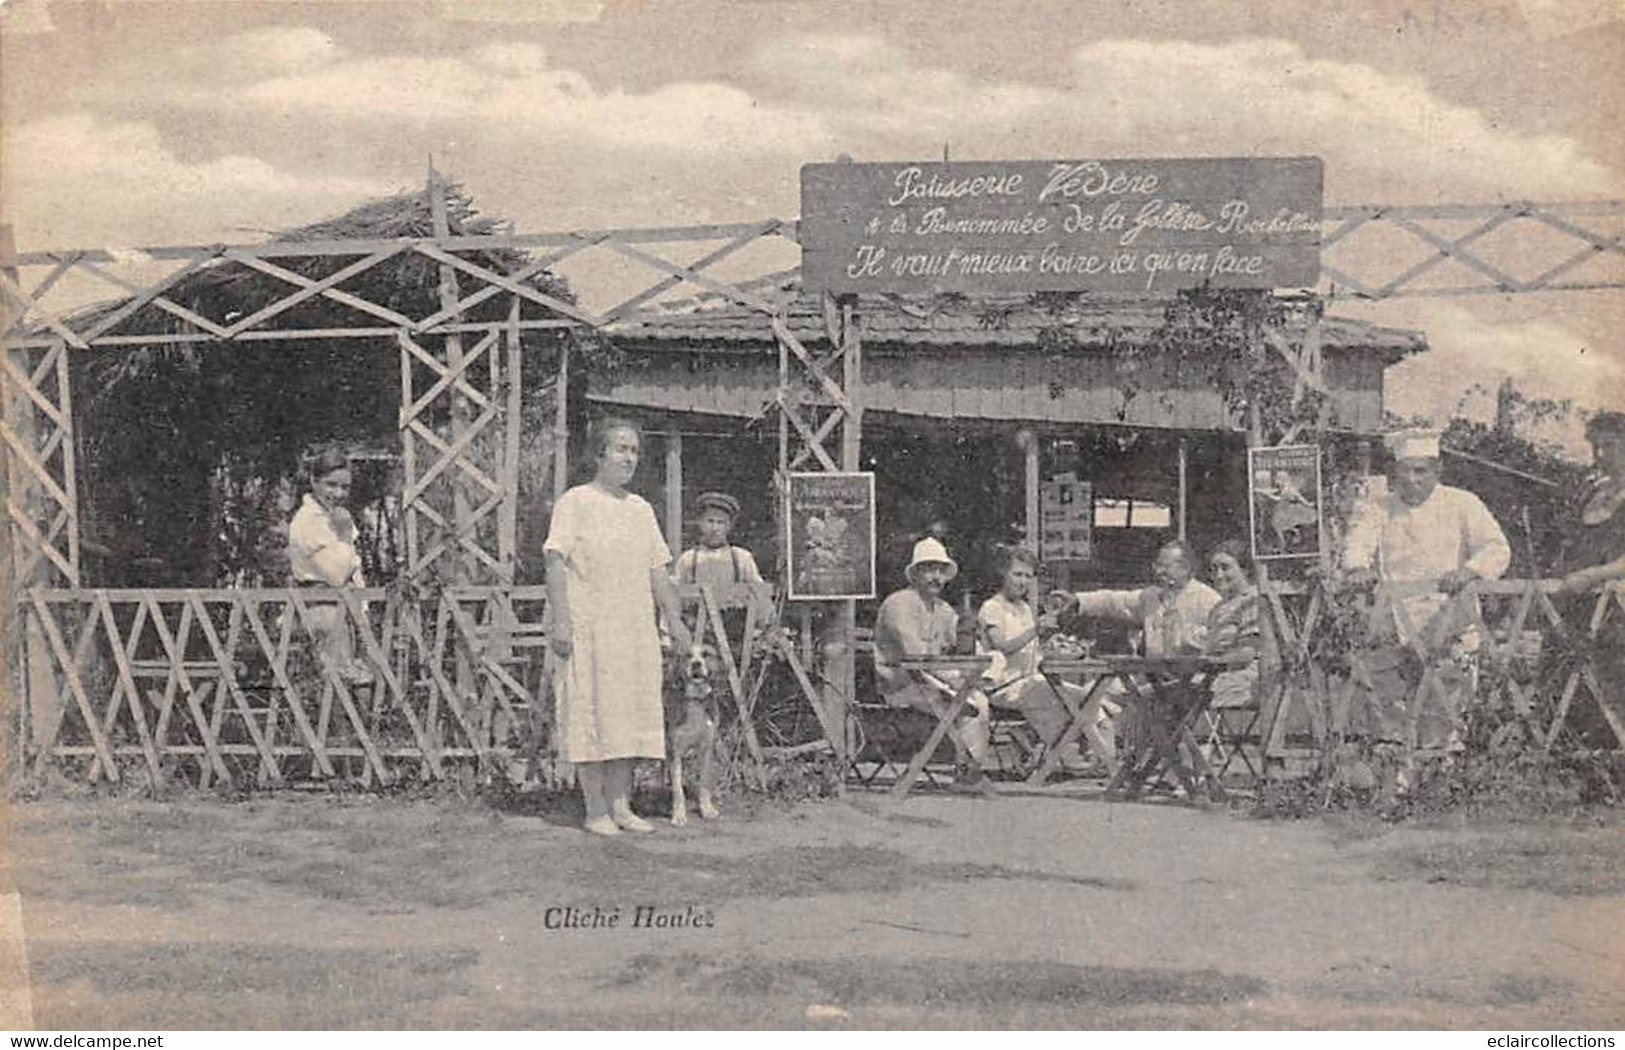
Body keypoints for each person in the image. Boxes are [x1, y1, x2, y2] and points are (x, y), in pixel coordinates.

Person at [546, 418, 692, 837]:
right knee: (590, 711)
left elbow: (658, 571)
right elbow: (555, 562)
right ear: (599, 455)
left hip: (633, 631)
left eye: (634, 451)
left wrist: (676, 620)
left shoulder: (640, 509)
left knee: (626, 714)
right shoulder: (575, 502)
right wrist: (561, 620)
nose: (629, 457)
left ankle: (621, 806)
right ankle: (595, 810)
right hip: (590, 629)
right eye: (620, 449)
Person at [1341, 427, 1511, 754]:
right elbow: (1356, 543)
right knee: (1390, 705)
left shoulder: (1463, 503)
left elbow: (1496, 548)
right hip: (1394, 620)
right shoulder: (1380, 506)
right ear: (1394, 473)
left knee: (1445, 704)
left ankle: (1440, 780)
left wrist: (1469, 571)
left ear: (1438, 470)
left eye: (1421, 471)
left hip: (1449, 618)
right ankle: (1397, 783)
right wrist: (1358, 567)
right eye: (1405, 471)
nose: (1413, 480)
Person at [976, 545, 1115, 773]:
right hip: (1005, 686)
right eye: (1017, 574)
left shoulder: (1024, 608)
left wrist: (1054, 646)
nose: (1023, 582)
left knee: (1089, 698)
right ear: (1003, 573)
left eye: (1028, 577)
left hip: (1030, 681)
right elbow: (1001, 646)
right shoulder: (992, 607)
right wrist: (1035, 631)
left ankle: (1035, 740)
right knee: (1082, 703)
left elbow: (1030, 649)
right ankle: (1105, 763)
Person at [872, 537, 995, 794]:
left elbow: (963, 644)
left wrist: (976, 659)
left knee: (976, 699)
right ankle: (968, 774)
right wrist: (956, 678)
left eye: (941, 571)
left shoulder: (942, 609)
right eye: (929, 569)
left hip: (928, 685)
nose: (936, 577)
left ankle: (967, 772)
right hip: (899, 686)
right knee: (971, 703)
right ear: (915, 573)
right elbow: (915, 656)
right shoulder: (900, 603)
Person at [1553, 410, 1625, 746]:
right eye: (1594, 447)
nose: (1599, 456)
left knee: (1612, 685)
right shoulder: (1593, 492)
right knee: (1570, 683)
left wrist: (1595, 574)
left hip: (1617, 608)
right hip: (1579, 603)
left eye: (1607, 446)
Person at [287, 448, 372, 686]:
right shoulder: (309, 521)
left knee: (359, 681)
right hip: (324, 608)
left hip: (345, 607)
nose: (338, 493)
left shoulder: (332, 516)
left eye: (344, 487)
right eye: (331, 485)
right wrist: (345, 535)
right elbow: (335, 575)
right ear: (314, 482)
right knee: (339, 685)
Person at [1052, 540, 1221, 657]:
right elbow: (1114, 601)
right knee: (1099, 693)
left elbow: (1218, 642)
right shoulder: (1151, 596)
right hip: (1152, 678)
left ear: (1185, 568)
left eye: (1165, 566)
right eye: (1157, 566)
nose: (1158, 571)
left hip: (1194, 683)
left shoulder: (1208, 599)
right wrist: (1078, 600)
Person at [1197, 539, 1263, 712]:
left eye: (1225, 568)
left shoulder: (1253, 600)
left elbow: (1247, 654)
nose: (1218, 575)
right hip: (1215, 676)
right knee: (1150, 692)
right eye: (1213, 569)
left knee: (1168, 694)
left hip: (1247, 681)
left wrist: (1209, 661)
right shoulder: (1218, 608)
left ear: (1245, 569)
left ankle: (1174, 739)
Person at [671, 491, 764, 589]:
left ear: (729, 526)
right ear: (700, 522)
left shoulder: (743, 559)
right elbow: (673, 594)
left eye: (721, 522)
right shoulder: (688, 560)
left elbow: (760, 594)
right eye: (710, 521)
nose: (715, 528)